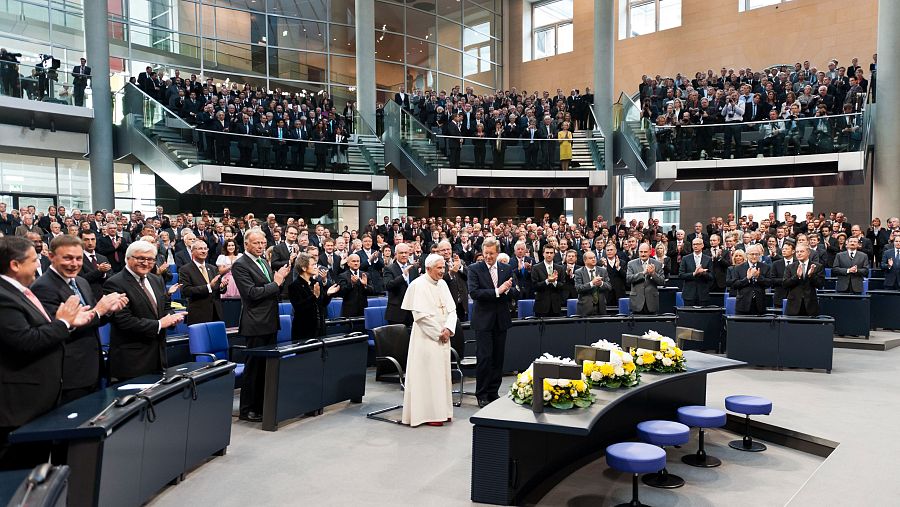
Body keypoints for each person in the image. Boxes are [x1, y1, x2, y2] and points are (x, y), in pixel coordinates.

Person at [0, 236, 99, 469]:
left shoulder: (19, 292)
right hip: (19, 405)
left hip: (37, 398)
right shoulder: (4, 297)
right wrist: (64, 323)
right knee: (19, 473)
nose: (38, 265)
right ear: (15, 265)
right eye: (34, 260)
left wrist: (68, 321)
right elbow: (25, 341)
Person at [31, 235, 128, 403]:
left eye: (78, 258)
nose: (74, 264)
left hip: (92, 367)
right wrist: (99, 310)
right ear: (51, 257)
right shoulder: (43, 287)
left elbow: (93, 320)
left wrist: (108, 311)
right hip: (69, 372)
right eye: (67, 258)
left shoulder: (81, 282)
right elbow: (59, 329)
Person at [231, 229, 291, 422]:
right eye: (256, 243)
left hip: (270, 321)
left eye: (262, 243)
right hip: (255, 323)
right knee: (254, 369)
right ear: (246, 244)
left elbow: (270, 291)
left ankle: (262, 405)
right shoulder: (240, 264)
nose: (260, 246)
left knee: (267, 368)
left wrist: (277, 283)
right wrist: (277, 282)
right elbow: (251, 293)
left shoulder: (264, 261)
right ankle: (248, 409)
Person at [103, 241, 184, 381]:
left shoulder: (156, 279)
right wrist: (159, 324)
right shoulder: (115, 283)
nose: (146, 263)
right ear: (128, 258)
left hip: (158, 358)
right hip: (132, 362)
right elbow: (124, 321)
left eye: (150, 259)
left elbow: (165, 306)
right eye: (141, 258)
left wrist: (171, 318)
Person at [401, 253, 457, 427]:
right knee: (428, 376)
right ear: (428, 268)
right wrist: (439, 333)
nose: (442, 271)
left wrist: (448, 329)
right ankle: (427, 414)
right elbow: (420, 316)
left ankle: (443, 411)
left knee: (442, 376)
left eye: (443, 267)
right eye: (439, 268)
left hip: (444, 336)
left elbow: (452, 310)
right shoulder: (418, 285)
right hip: (426, 338)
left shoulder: (443, 284)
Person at [467, 238, 518, 408]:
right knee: (485, 358)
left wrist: (509, 290)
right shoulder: (474, 269)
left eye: (491, 253)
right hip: (483, 321)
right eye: (486, 253)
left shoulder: (506, 268)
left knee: (498, 358)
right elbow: (474, 293)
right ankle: (481, 394)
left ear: (497, 253)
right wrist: (498, 291)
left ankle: (493, 392)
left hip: (501, 320)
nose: (488, 256)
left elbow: (513, 293)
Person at [289, 252, 340, 341]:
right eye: (313, 265)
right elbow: (299, 307)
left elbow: (322, 304)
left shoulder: (316, 283)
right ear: (304, 268)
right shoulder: (294, 286)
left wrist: (328, 294)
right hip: (304, 330)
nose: (316, 267)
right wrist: (314, 296)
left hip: (320, 327)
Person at [178, 240, 225, 324]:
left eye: (205, 248)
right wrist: (208, 287)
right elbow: (186, 291)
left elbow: (219, 289)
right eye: (200, 249)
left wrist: (222, 286)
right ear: (192, 251)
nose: (203, 251)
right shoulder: (185, 270)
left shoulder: (213, 268)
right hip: (198, 315)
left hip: (216, 314)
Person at [783, 244, 824, 316]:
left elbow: (820, 285)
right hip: (793, 306)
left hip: (810, 306)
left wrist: (811, 275)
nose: (799, 253)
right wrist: (797, 276)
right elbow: (785, 284)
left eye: (801, 251)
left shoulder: (817, 266)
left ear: (808, 253)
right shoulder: (790, 267)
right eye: (797, 252)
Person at [383, 243, 417, 326]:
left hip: (412, 312)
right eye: (401, 253)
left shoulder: (413, 268)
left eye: (406, 253)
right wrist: (403, 276)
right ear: (396, 254)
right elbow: (388, 285)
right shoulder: (389, 268)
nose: (404, 255)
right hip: (396, 313)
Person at [626, 244, 665, 314]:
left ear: (650, 252)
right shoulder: (631, 264)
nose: (643, 254)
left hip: (651, 302)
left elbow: (662, 281)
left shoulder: (657, 264)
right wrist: (643, 273)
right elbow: (628, 279)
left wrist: (653, 274)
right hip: (636, 302)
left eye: (645, 252)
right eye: (641, 252)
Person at [732, 244, 771, 315]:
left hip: (760, 305)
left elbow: (769, 283)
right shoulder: (738, 268)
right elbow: (735, 285)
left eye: (757, 254)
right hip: (743, 305)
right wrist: (747, 278)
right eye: (752, 254)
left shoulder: (766, 267)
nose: (754, 256)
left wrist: (758, 278)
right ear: (747, 255)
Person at [532, 244, 565, 317]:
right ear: (543, 254)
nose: (549, 255)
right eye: (547, 253)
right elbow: (534, 286)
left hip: (556, 306)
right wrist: (547, 281)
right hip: (541, 307)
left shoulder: (560, 268)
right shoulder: (536, 268)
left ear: (554, 254)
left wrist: (554, 282)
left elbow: (563, 286)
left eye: (551, 253)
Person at [78, 229, 112, 301]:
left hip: (105, 297)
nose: (90, 243)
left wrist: (104, 274)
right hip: (88, 298)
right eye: (86, 240)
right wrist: (99, 271)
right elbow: (80, 279)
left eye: (93, 239)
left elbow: (111, 278)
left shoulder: (102, 258)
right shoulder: (77, 258)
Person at [574, 251, 611, 316]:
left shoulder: (603, 270)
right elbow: (578, 288)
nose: (594, 259)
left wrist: (601, 284)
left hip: (601, 307)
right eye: (591, 258)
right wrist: (592, 283)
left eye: (594, 257)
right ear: (585, 261)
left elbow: (609, 287)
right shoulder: (579, 272)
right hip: (585, 308)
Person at [679, 238, 712, 305]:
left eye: (697, 244)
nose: (695, 246)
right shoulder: (685, 258)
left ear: (702, 245)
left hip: (702, 294)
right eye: (694, 244)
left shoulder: (708, 259)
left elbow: (711, 277)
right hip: (689, 294)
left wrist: (704, 273)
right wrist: (694, 274)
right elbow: (681, 275)